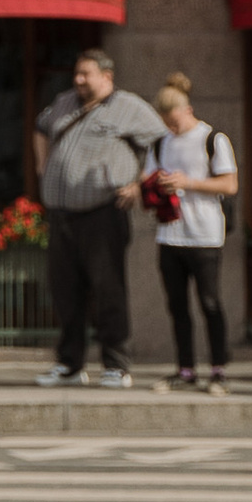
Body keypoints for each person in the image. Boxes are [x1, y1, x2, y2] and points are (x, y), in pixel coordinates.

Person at [32, 47, 162, 390]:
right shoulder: (63, 102)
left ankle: (116, 364)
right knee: (65, 291)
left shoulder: (129, 107)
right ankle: (70, 363)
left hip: (103, 213)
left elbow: (163, 144)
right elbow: (40, 127)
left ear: (107, 76)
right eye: (76, 74)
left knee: (108, 291)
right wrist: (42, 165)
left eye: (85, 74)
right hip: (62, 215)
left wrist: (138, 183)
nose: (78, 80)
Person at [147, 73, 236, 392]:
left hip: (205, 235)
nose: (171, 127)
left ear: (187, 110)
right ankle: (185, 369)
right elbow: (148, 178)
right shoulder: (160, 143)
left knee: (210, 302)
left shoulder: (212, 139)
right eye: (165, 122)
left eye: (173, 120)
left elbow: (229, 184)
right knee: (177, 306)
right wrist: (154, 186)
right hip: (170, 234)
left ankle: (218, 368)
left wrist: (188, 182)